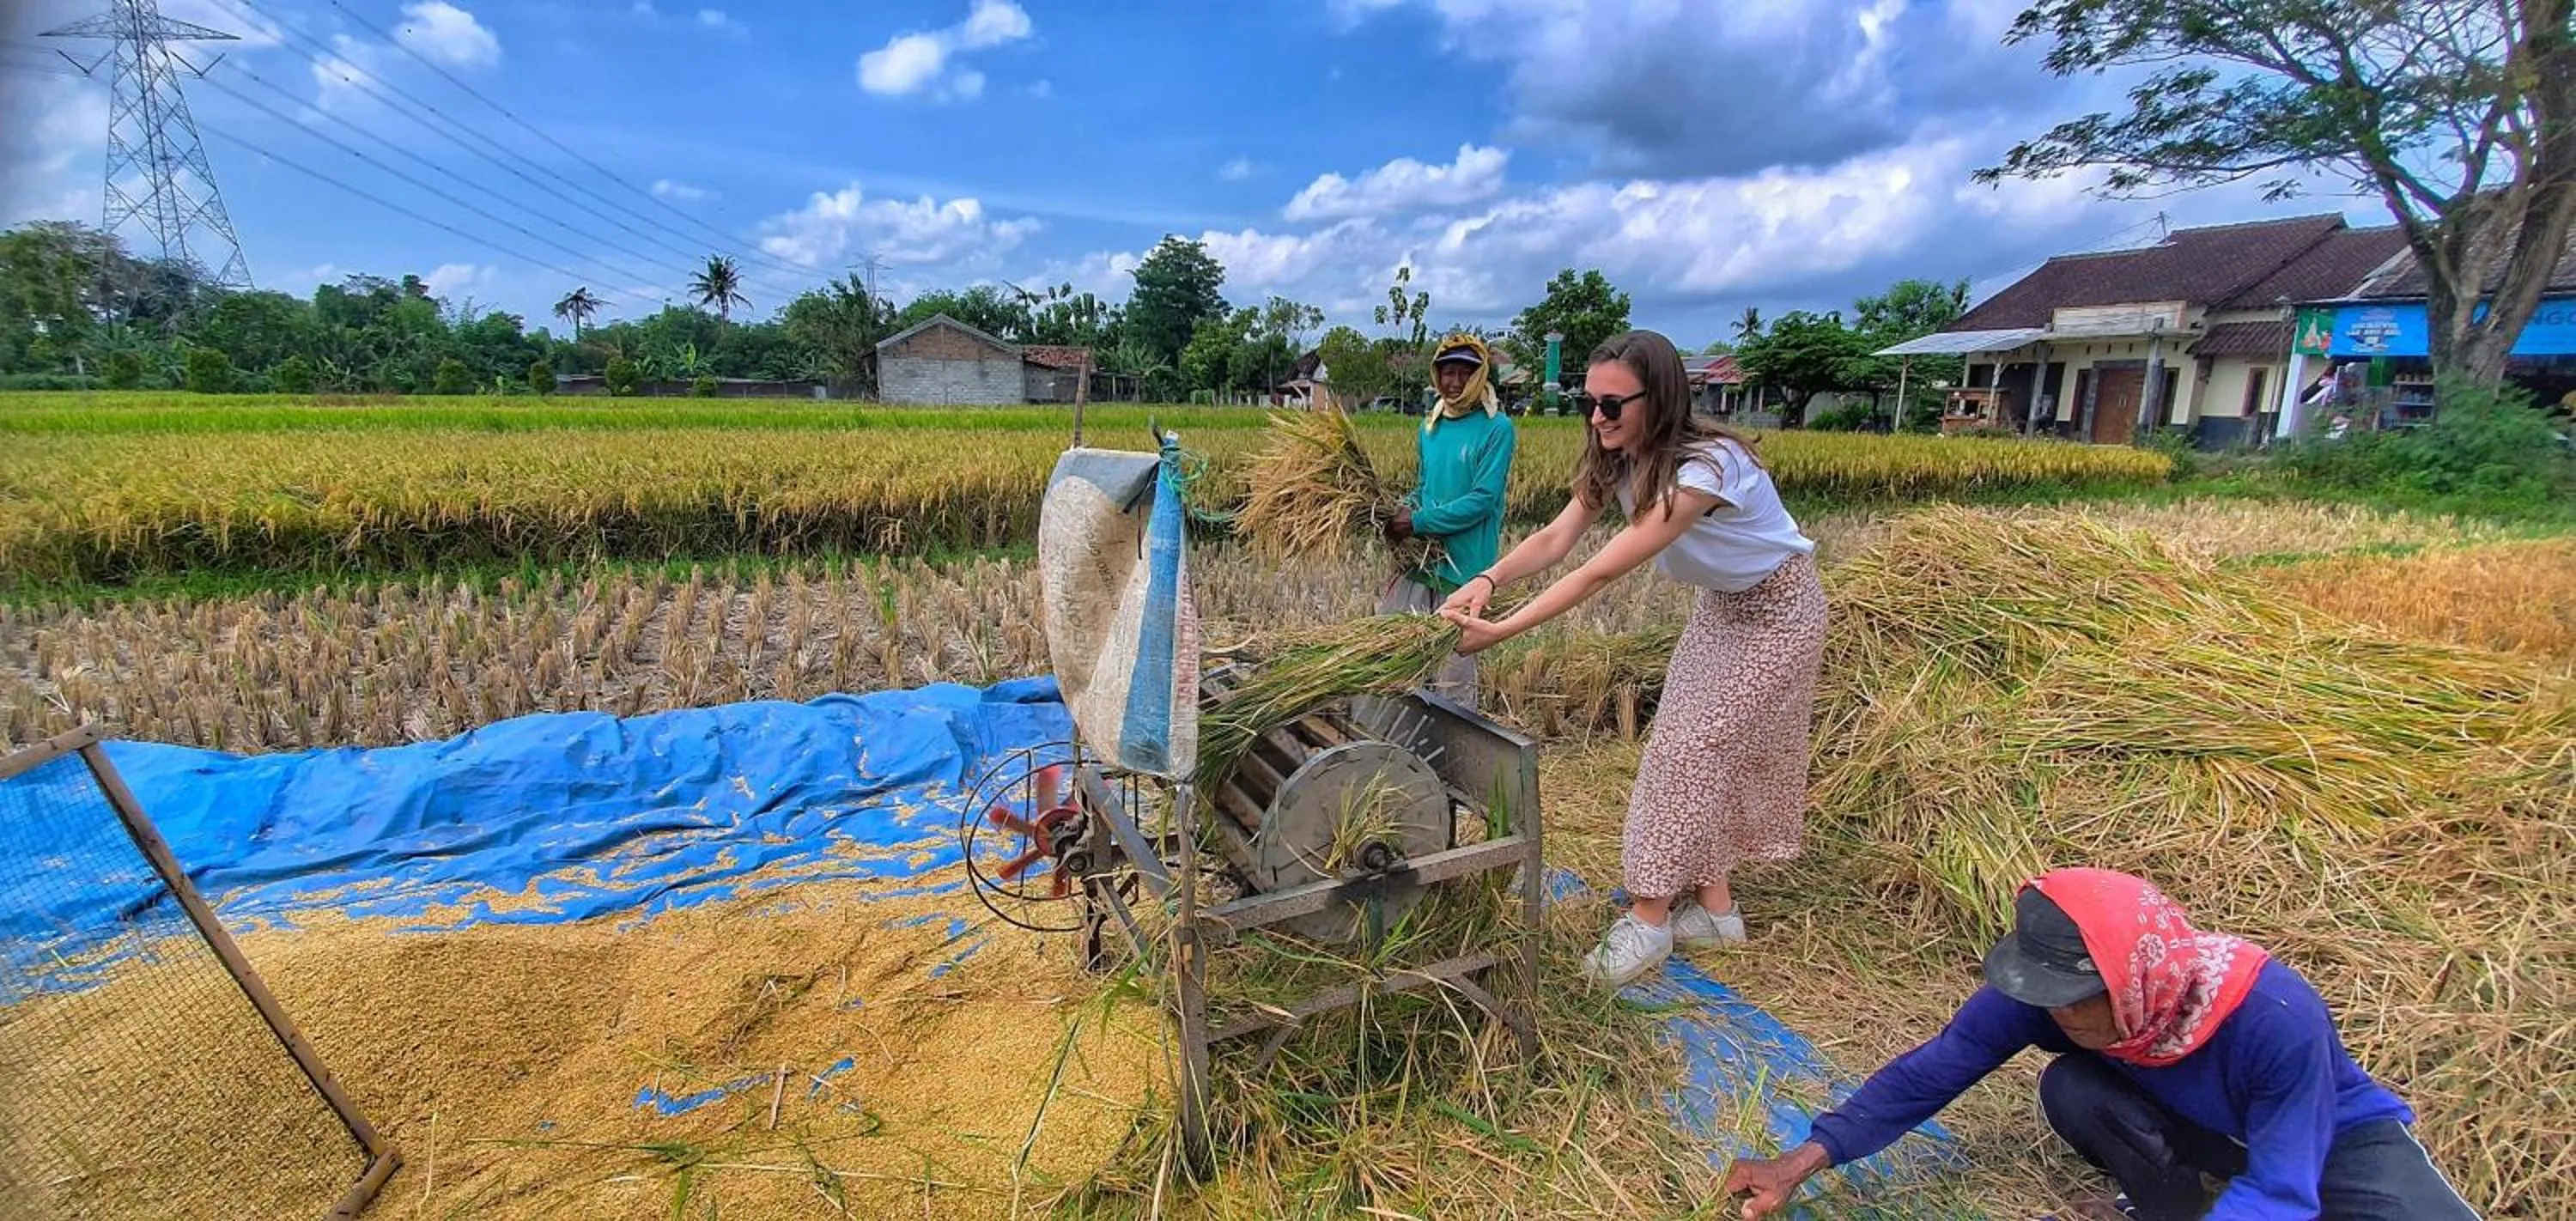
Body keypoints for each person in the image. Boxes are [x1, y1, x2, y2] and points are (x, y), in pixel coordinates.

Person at [1720, 868, 2481, 1220]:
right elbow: (1938, 1067)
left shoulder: (2274, 1017)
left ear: (2136, 980)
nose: (2060, 1020)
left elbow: (2283, 1187)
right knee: (2071, 1088)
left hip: (2327, 1137)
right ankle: (2166, 1205)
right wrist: (1802, 1160)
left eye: (2077, 1003)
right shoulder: (2048, 998)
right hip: (2202, 1128)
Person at [1437, 329, 1826, 986]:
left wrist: (1500, 633)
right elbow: (1558, 537)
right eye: (1590, 403)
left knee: (1688, 750)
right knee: (1695, 749)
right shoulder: (1617, 457)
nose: (1597, 418)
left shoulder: (1710, 468)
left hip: (1779, 614)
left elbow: (1595, 574)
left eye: (1613, 405)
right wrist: (1488, 581)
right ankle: (1716, 911)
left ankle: (1648, 922)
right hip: (1721, 609)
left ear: (1661, 398)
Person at [1382, 332, 1516, 709]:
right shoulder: (1431, 426)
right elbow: (1423, 486)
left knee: (1453, 669)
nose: (1454, 382)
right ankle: (1397, 741)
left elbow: (1482, 500)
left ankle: (1458, 757)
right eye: (1447, 372)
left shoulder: (1496, 428)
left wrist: (1418, 522)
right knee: (1392, 649)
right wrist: (1399, 513)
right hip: (1421, 559)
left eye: (1464, 374)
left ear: (1479, 377)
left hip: (1464, 565)